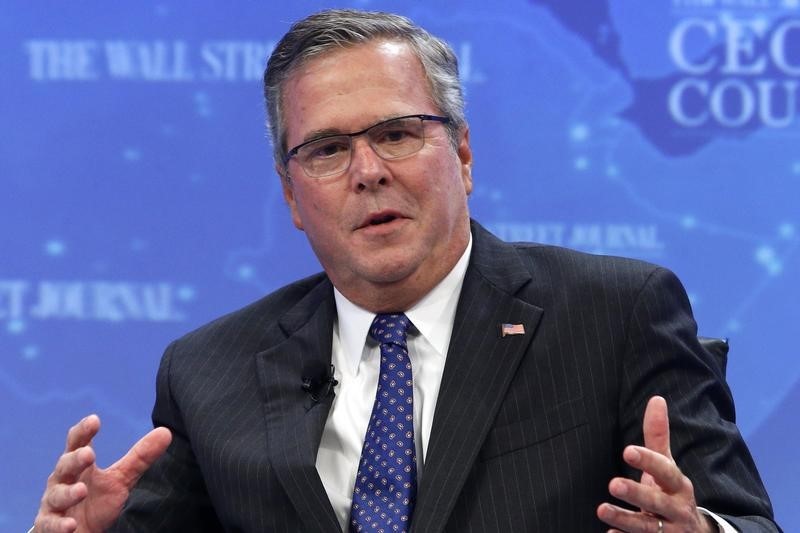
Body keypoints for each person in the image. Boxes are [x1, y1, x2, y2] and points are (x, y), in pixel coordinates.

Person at [34, 8, 779, 533]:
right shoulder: (207, 372)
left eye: (396, 133)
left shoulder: (617, 314)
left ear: (462, 154)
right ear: (292, 195)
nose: (366, 171)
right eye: (325, 149)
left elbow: (746, 518)